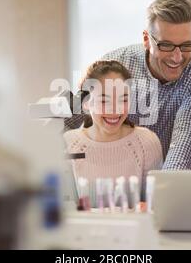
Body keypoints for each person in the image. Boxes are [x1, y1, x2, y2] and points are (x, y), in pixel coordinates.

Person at [65, 0, 191, 169]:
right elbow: (70, 118)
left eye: (186, 45)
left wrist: (161, 192)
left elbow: (184, 140)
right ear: (146, 39)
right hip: (122, 176)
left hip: (178, 183)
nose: (177, 57)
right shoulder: (118, 64)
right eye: (166, 45)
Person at [63, 60, 163, 201]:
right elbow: (66, 208)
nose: (115, 109)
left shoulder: (147, 142)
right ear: (85, 103)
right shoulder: (69, 143)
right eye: (104, 101)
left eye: (123, 99)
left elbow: (155, 204)